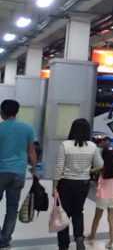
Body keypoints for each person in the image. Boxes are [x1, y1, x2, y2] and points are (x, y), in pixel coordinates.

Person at [53, 119, 103, 250]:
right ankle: (79, 238)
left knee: (63, 213)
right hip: (83, 184)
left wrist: (54, 187)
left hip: (65, 183)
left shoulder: (65, 145)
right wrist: (88, 170)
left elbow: (58, 167)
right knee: (77, 212)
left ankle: (63, 245)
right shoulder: (92, 146)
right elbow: (100, 165)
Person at [0, 100, 38, 249]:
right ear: (17, 111)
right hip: (18, 173)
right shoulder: (27, 128)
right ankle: (5, 239)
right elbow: (31, 152)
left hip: (1, 171)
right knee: (12, 207)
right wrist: (35, 170)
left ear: (2, 112)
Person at [87, 147, 113, 249]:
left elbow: (91, 171)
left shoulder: (102, 168)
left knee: (97, 217)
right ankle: (112, 242)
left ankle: (92, 237)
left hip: (103, 196)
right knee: (111, 218)